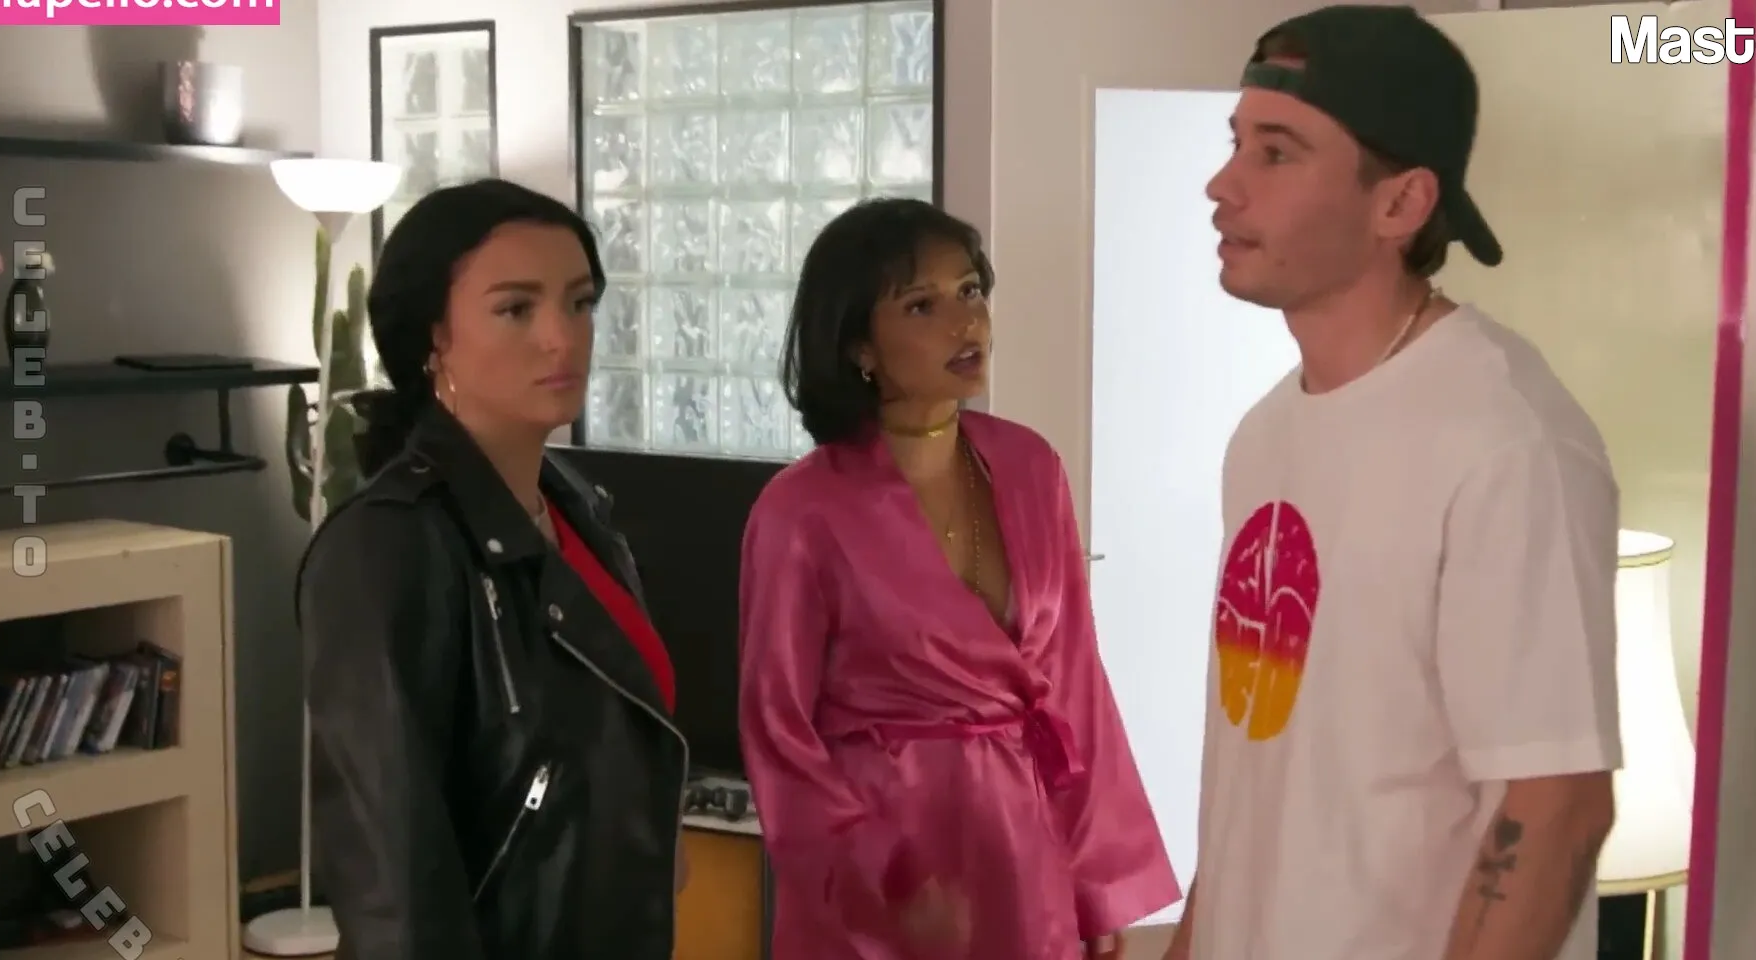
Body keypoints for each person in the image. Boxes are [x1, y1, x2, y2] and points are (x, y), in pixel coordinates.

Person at [1166, 7, 1621, 960]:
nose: (1223, 184)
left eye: (1276, 153)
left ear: (1401, 204)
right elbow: (1259, 776)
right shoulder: (1266, 434)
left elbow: (1556, 806)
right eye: (1236, 143)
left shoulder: (1505, 441)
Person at [737, 197, 1181, 959]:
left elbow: (1075, 681)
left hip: (1022, 842)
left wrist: (1094, 881)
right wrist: (881, 878)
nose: (966, 322)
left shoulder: (1030, 465)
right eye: (923, 305)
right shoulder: (801, 509)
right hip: (885, 862)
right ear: (859, 345)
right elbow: (778, 728)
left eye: (971, 290)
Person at [297, 179, 689, 960]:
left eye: (580, 303)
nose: (562, 337)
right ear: (433, 337)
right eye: (516, 309)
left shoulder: (579, 511)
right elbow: (393, 885)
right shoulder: (388, 546)